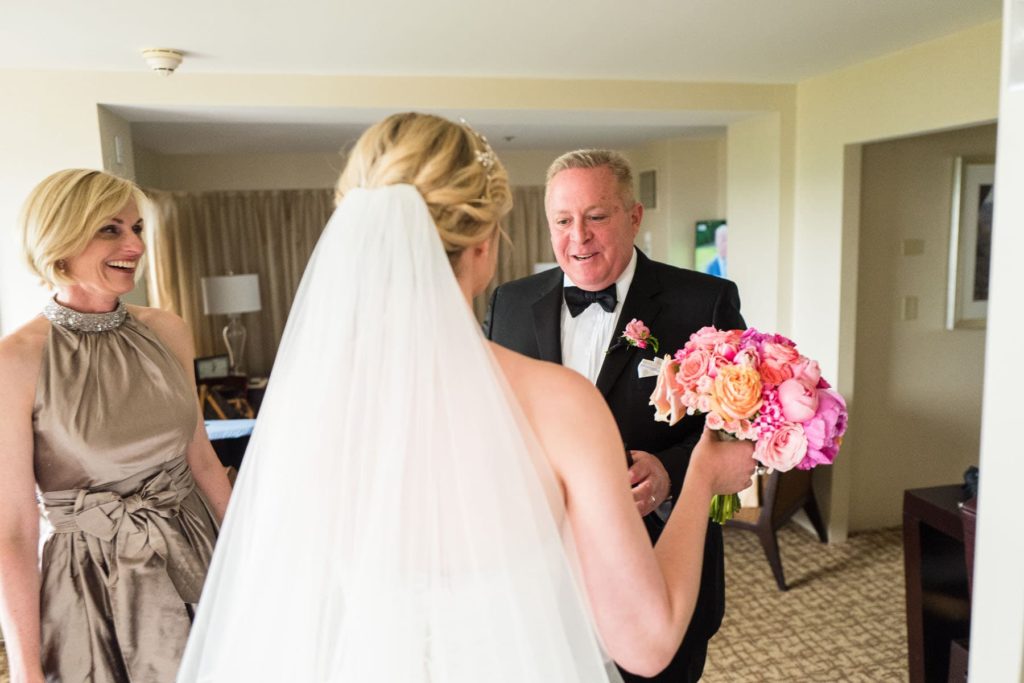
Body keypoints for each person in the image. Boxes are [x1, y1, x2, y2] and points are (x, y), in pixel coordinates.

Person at [177, 113, 754, 682]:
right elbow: (647, 644)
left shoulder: (302, 406)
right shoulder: (560, 403)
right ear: (484, 239)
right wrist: (702, 472)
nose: (577, 235)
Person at [485, 149, 745, 682]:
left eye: (596, 216)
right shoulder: (507, 303)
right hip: (542, 570)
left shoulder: (704, 301)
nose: (577, 236)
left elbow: (736, 425)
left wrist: (672, 469)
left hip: (658, 560)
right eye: (562, 220)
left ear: (634, 216)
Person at [0, 169, 232, 683]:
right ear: (58, 238)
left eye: (137, 228)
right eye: (111, 229)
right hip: (92, 586)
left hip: (197, 554)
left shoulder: (168, 330)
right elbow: (13, 529)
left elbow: (203, 463)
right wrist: (25, 669)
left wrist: (251, 564)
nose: (135, 244)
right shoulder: (13, 362)